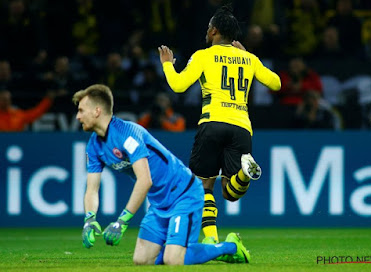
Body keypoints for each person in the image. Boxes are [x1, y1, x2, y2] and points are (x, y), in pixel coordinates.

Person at [73, 84, 250, 265]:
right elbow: (92, 189)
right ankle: (177, 247)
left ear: (97, 111)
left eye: (81, 110)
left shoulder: (127, 134)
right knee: (141, 260)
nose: (78, 116)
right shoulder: (94, 147)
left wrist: (121, 221)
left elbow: (145, 181)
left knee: (174, 259)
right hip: (159, 203)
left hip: (183, 194)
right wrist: (90, 219)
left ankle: (231, 247)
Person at [158, 5, 281, 250]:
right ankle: (245, 174)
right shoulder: (248, 58)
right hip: (241, 127)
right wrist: (248, 57)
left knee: (203, 186)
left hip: (212, 123)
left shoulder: (203, 55)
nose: (206, 31)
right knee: (231, 192)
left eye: (208, 28)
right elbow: (276, 83)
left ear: (214, 31)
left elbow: (179, 86)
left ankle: (211, 237)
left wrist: (167, 64)